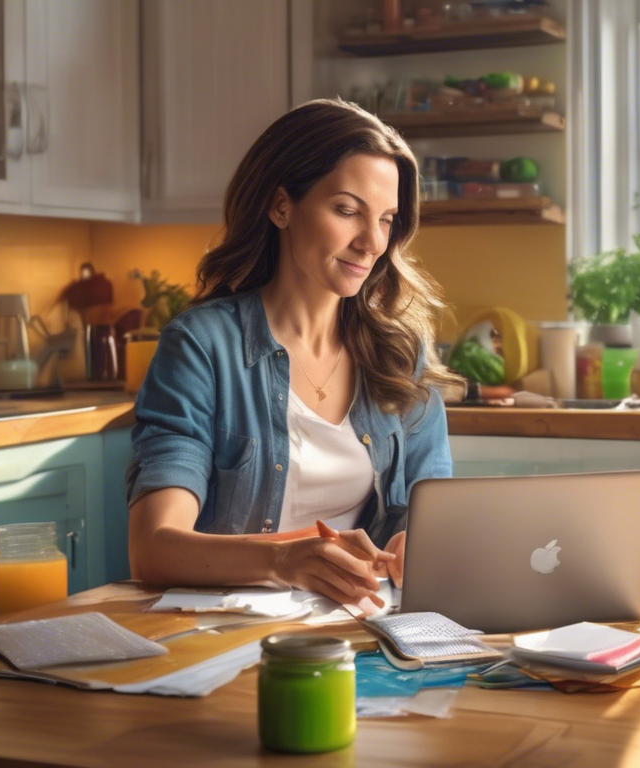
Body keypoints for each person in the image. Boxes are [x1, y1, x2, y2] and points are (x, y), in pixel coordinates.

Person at [125, 98, 459, 609]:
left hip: (361, 627)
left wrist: (423, 543)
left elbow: (431, 504)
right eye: (347, 210)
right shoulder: (201, 347)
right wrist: (284, 561)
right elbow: (153, 548)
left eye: (387, 219)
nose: (371, 242)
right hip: (225, 629)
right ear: (281, 206)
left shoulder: (399, 355)